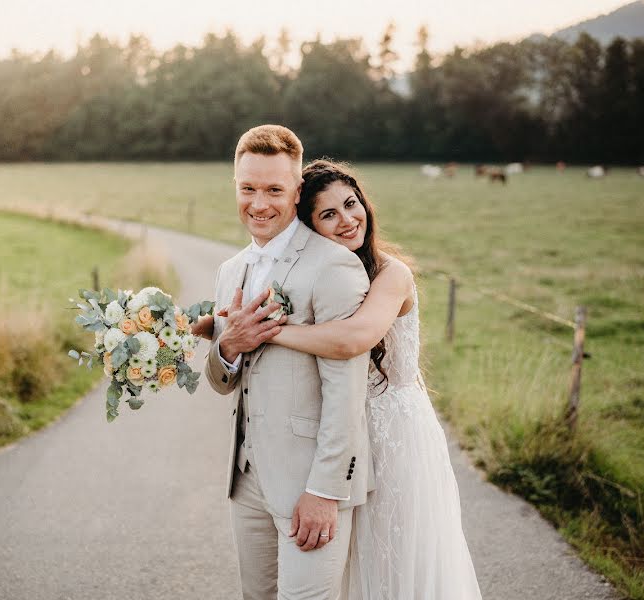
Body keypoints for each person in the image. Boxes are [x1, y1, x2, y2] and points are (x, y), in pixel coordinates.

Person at [198, 158, 482, 599]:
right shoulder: (308, 271)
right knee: (349, 573)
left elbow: (354, 339)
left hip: (393, 435)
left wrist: (266, 332)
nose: (348, 219)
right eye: (328, 214)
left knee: (394, 563)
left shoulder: (392, 273)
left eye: (351, 204)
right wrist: (225, 334)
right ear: (309, 225)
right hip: (342, 433)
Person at [203, 125, 375, 600]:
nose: (259, 204)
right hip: (247, 482)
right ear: (234, 187)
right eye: (248, 189)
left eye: (275, 189)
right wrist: (228, 347)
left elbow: (347, 392)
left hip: (311, 486)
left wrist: (325, 491)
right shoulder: (229, 271)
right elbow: (222, 382)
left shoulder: (333, 266)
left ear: (297, 192)